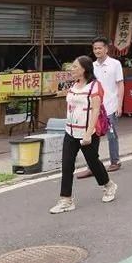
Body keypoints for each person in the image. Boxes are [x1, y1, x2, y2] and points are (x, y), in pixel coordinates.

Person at [50, 56, 117, 214]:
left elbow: (95, 111)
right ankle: (66, 200)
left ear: (84, 69)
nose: (71, 70)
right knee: (67, 164)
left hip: (87, 133)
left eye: (75, 67)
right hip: (70, 132)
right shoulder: (74, 85)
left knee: (93, 162)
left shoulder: (94, 87)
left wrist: (88, 134)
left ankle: (109, 186)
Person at [78, 37, 124, 179]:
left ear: (106, 48)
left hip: (110, 105)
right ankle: (92, 166)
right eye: (95, 48)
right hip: (94, 107)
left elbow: (120, 84)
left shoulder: (115, 64)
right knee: (91, 136)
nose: (97, 50)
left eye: (100, 48)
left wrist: (120, 104)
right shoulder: (91, 66)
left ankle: (115, 161)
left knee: (111, 135)